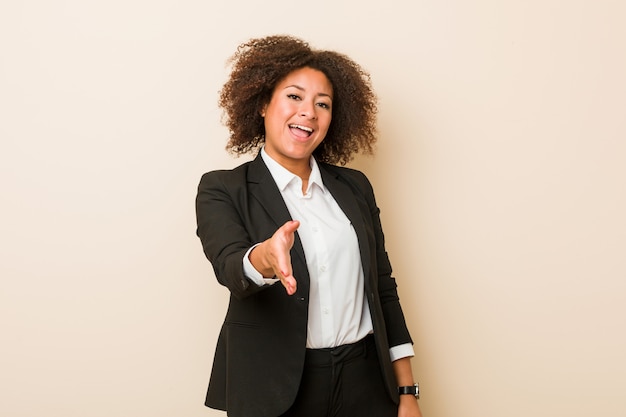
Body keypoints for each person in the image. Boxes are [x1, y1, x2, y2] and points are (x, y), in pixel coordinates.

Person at [195, 35, 423, 417]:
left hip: (366, 380)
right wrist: (266, 257)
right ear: (263, 104)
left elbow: (383, 287)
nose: (309, 113)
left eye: (323, 104)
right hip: (277, 391)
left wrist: (407, 391)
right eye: (295, 97)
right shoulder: (222, 188)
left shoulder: (354, 187)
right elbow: (231, 266)